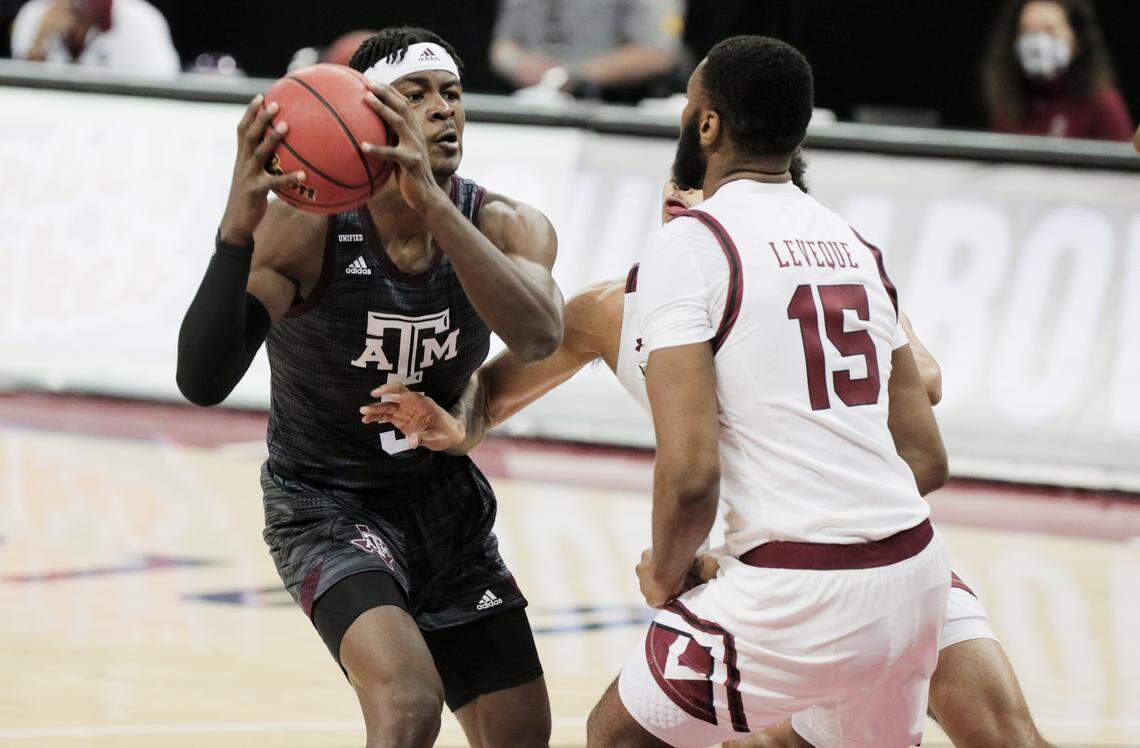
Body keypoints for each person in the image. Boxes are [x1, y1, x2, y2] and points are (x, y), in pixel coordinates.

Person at [372, 36, 955, 746]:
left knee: (618, 735)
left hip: (802, 580)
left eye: (688, 107)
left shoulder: (694, 247)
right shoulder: (850, 242)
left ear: (706, 126)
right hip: (916, 573)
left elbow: (689, 478)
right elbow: (927, 458)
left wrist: (667, 575)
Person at [175, 27, 563, 748]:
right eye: (416, 95)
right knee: (409, 703)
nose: (443, 109)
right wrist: (234, 231)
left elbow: (541, 335)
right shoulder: (306, 232)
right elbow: (201, 380)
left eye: (451, 93)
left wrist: (436, 208)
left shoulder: (508, 225)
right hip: (325, 500)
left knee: (521, 734)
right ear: (366, 115)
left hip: (441, 500)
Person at [982, 0, 1132, 141]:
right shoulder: (1008, 104)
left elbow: (1123, 164)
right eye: (1026, 31)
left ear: (1076, 41)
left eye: (1050, 31)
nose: (1037, 43)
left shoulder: (1101, 103)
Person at [490, 0, 686, 99]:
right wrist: (518, 64)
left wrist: (570, 76)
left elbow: (659, 53)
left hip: (618, 112)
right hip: (535, 107)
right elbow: (502, 47)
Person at [11, 0, 179, 74]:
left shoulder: (143, 21)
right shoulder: (33, 15)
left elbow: (166, 90)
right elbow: (22, 99)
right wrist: (39, 42)